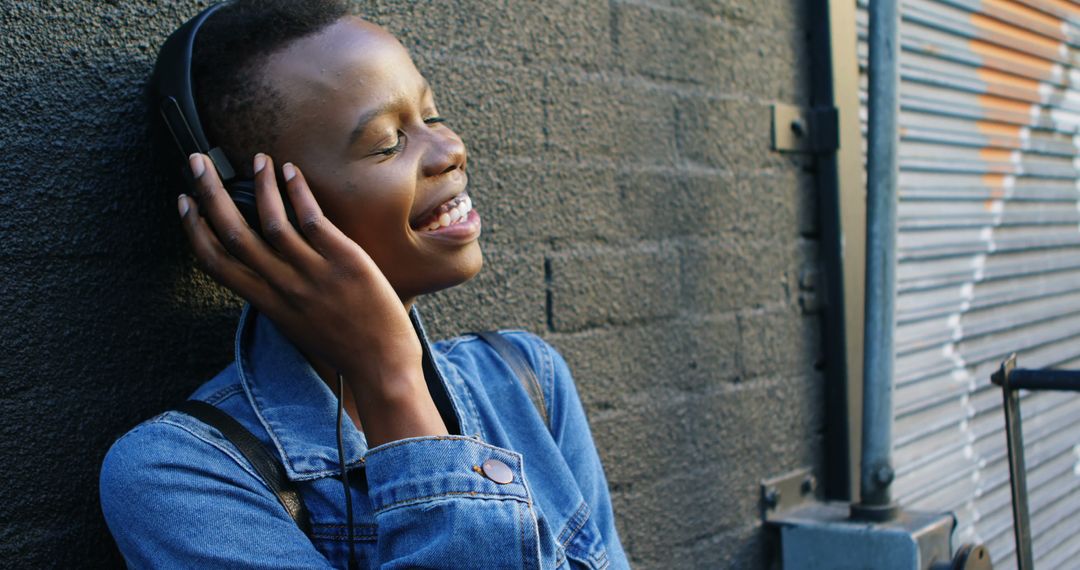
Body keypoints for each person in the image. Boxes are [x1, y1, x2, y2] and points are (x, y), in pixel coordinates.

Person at [98, 1, 629, 568]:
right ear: (250, 212)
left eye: (434, 115)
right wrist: (388, 375)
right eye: (387, 142)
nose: (450, 150)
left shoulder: (526, 380)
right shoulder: (178, 474)